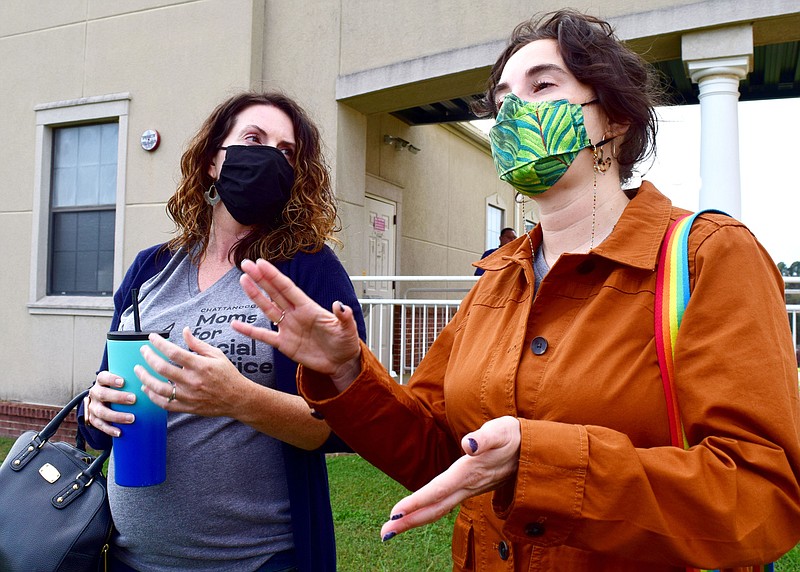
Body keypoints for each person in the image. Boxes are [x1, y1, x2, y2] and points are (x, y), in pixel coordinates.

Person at [231, 11, 800, 571]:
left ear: (616, 118)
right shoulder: (498, 278)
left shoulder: (709, 255)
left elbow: (762, 497)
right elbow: (438, 451)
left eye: (543, 85)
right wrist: (349, 371)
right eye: (502, 103)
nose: (511, 116)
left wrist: (540, 461)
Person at [80, 91, 365, 572]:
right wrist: (95, 409)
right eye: (253, 139)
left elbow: (346, 424)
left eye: (286, 151)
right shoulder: (150, 269)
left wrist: (239, 398)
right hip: (130, 558)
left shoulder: (307, 268)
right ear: (213, 162)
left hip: (257, 560)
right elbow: (102, 409)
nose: (269, 156)